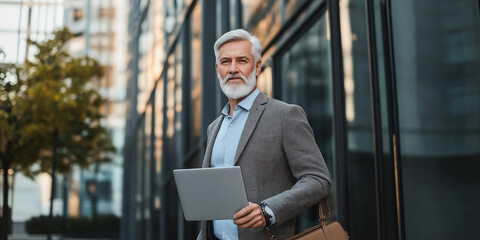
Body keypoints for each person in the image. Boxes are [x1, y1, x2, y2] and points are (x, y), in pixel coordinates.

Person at [197, 29, 331, 240]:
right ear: (217, 69)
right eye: (225, 62)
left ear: (257, 67)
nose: (233, 69)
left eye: (242, 60)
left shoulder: (285, 115)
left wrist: (267, 211)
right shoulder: (214, 127)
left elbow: (318, 180)